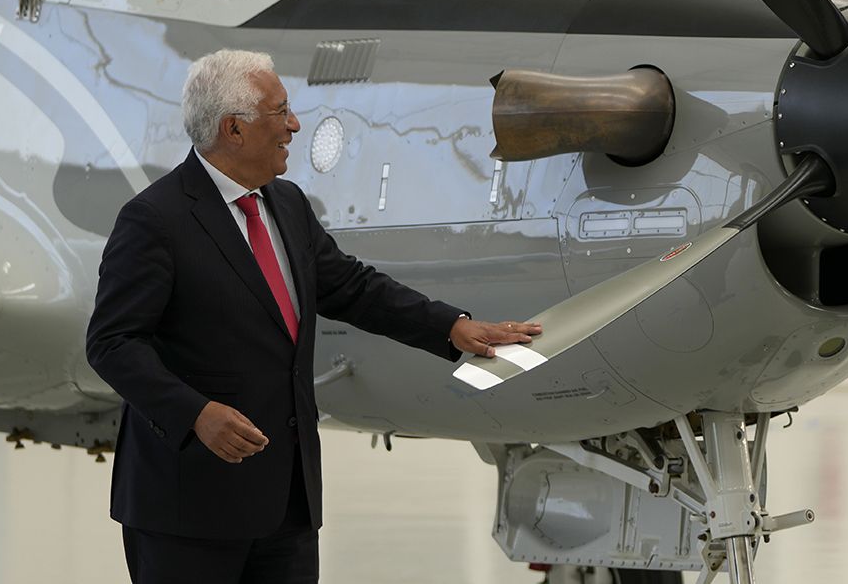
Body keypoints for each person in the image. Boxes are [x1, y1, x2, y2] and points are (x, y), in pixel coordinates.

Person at [86, 49, 542, 584]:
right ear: (234, 129)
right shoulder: (153, 220)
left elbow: (352, 287)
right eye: (280, 112)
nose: (295, 125)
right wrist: (196, 414)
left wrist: (452, 326)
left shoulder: (288, 205)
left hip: (287, 506)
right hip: (187, 509)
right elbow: (113, 343)